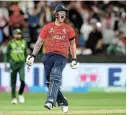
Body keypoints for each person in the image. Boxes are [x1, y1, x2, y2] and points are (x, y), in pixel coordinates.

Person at [26, 5, 79, 113]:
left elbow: (72, 45)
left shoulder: (69, 29)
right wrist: (32, 55)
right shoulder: (47, 27)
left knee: (55, 74)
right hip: (48, 56)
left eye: (64, 12)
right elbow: (39, 42)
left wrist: (74, 58)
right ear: (55, 14)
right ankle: (63, 101)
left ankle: (50, 101)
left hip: (62, 56)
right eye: (60, 12)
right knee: (49, 82)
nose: (63, 14)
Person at [4, 29, 27, 104]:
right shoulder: (10, 43)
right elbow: (7, 54)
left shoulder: (24, 42)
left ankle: (20, 94)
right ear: (14, 35)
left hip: (21, 64)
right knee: (13, 82)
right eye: (17, 34)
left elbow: (25, 53)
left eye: (19, 34)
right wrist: (6, 64)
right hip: (13, 64)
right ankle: (14, 98)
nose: (18, 35)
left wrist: (28, 63)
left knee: (22, 80)